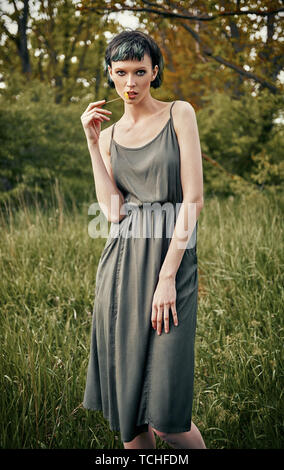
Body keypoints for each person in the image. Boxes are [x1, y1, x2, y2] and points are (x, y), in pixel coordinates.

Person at [80, 29, 206, 450]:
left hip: (170, 263)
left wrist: (167, 278)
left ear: (155, 72)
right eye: (120, 73)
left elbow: (193, 200)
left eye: (139, 71)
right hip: (120, 269)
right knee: (131, 421)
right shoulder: (112, 136)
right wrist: (94, 144)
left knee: (169, 420)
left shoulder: (179, 114)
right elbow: (113, 212)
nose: (130, 83)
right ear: (110, 75)